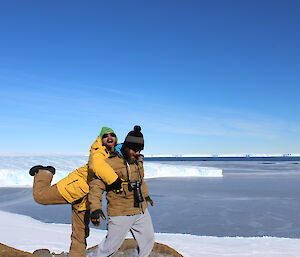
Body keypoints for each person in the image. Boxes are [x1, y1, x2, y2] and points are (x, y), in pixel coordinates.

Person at [29, 127, 122, 257]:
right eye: (105, 136)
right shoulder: (98, 151)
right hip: (74, 188)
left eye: (112, 135)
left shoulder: (115, 154)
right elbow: (97, 166)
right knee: (40, 197)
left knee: (81, 232)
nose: (109, 137)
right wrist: (115, 181)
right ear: (101, 139)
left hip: (85, 197)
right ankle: (45, 172)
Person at [88, 125, 155, 257]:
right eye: (135, 150)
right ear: (127, 147)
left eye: (140, 150)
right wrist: (95, 208)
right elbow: (96, 186)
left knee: (148, 241)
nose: (137, 153)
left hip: (140, 209)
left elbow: (140, 180)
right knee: (109, 247)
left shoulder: (138, 160)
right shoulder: (110, 162)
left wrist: (146, 196)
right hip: (120, 211)